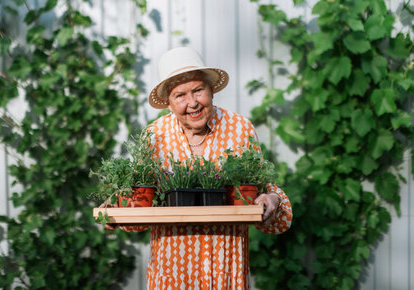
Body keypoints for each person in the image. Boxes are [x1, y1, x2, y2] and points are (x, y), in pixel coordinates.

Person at [105, 47, 292, 289]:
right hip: (172, 273)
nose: (192, 103)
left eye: (198, 90)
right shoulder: (155, 136)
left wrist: (272, 199)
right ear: (168, 104)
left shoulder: (239, 129)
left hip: (225, 269)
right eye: (180, 95)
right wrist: (116, 209)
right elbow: (142, 206)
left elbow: (261, 194)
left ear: (211, 91)